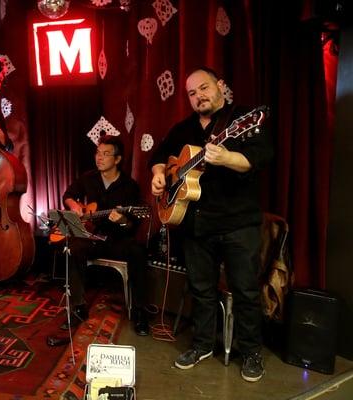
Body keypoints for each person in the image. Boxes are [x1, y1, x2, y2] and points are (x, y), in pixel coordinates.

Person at [150, 67, 273, 382]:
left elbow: (258, 158)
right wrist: (159, 174)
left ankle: (250, 352)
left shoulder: (243, 120)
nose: (198, 96)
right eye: (192, 93)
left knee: (245, 291)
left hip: (237, 222)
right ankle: (203, 344)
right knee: (201, 289)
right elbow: (161, 155)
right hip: (195, 223)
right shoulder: (183, 129)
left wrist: (227, 158)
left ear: (220, 86)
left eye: (203, 88)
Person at [54, 135, 150, 338]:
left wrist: (122, 220)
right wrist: (75, 207)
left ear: (117, 159)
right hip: (92, 237)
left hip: (117, 240)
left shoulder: (129, 186)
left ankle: (141, 312)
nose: (100, 158)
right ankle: (78, 307)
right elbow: (68, 196)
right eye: (98, 153)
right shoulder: (88, 178)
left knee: (138, 251)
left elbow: (133, 224)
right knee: (72, 247)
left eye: (106, 154)